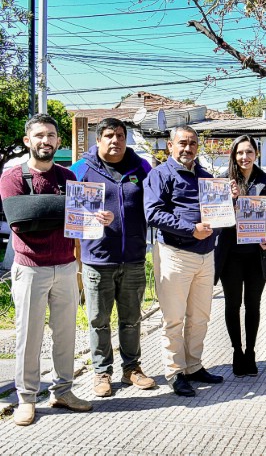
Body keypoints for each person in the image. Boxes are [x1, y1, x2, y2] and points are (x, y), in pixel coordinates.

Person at [0, 114, 93, 426]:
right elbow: (20, 220)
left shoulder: (68, 176)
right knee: (29, 335)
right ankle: (26, 398)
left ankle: (63, 391)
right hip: (30, 269)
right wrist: (63, 209)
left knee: (66, 334)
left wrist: (95, 217)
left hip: (66, 266)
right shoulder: (13, 177)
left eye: (51, 135)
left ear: (58, 140)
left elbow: (79, 219)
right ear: (28, 141)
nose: (46, 140)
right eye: (39, 135)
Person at [70, 118, 156, 398]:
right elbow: (67, 209)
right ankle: (101, 372)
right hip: (97, 258)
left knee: (131, 319)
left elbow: (156, 200)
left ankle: (131, 368)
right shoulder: (80, 169)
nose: (115, 140)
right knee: (98, 320)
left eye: (120, 135)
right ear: (98, 140)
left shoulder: (141, 167)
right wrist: (89, 217)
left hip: (132, 258)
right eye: (109, 135)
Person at [144, 126, 223, 398]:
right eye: (182, 143)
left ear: (197, 148)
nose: (187, 148)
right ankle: (175, 372)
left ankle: (194, 366)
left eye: (192, 144)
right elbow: (153, 213)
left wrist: (227, 205)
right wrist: (191, 229)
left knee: (200, 317)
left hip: (206, 255)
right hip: (175, 254)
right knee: (174, 319)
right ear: (170, 146)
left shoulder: (207, 177)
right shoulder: (160, 175)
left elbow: (219, 214)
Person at [215, 135, 266, 378]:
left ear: (257, 154)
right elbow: (215, 218)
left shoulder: (265, 181)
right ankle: (236, 351)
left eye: (249, 152)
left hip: (257, 254)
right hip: (230, 255)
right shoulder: (223, 180)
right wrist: (230, 200)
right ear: (233, 155)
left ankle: (251, 352)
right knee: (233, 305)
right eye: (240, 152)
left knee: (253, 305)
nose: (244, 157)